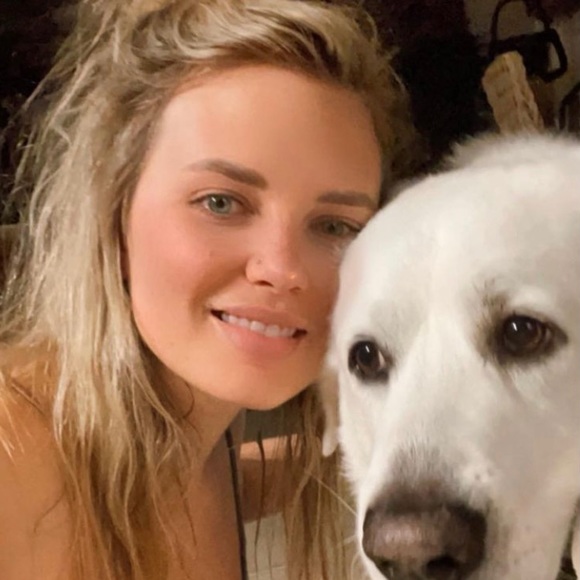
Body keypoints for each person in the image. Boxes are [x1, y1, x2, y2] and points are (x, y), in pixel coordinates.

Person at [0, 0, 420, 579]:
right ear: (112, 216)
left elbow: (225, 480)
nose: (282, 268)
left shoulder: (199, 439)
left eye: (333, 226)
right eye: (220, 202)